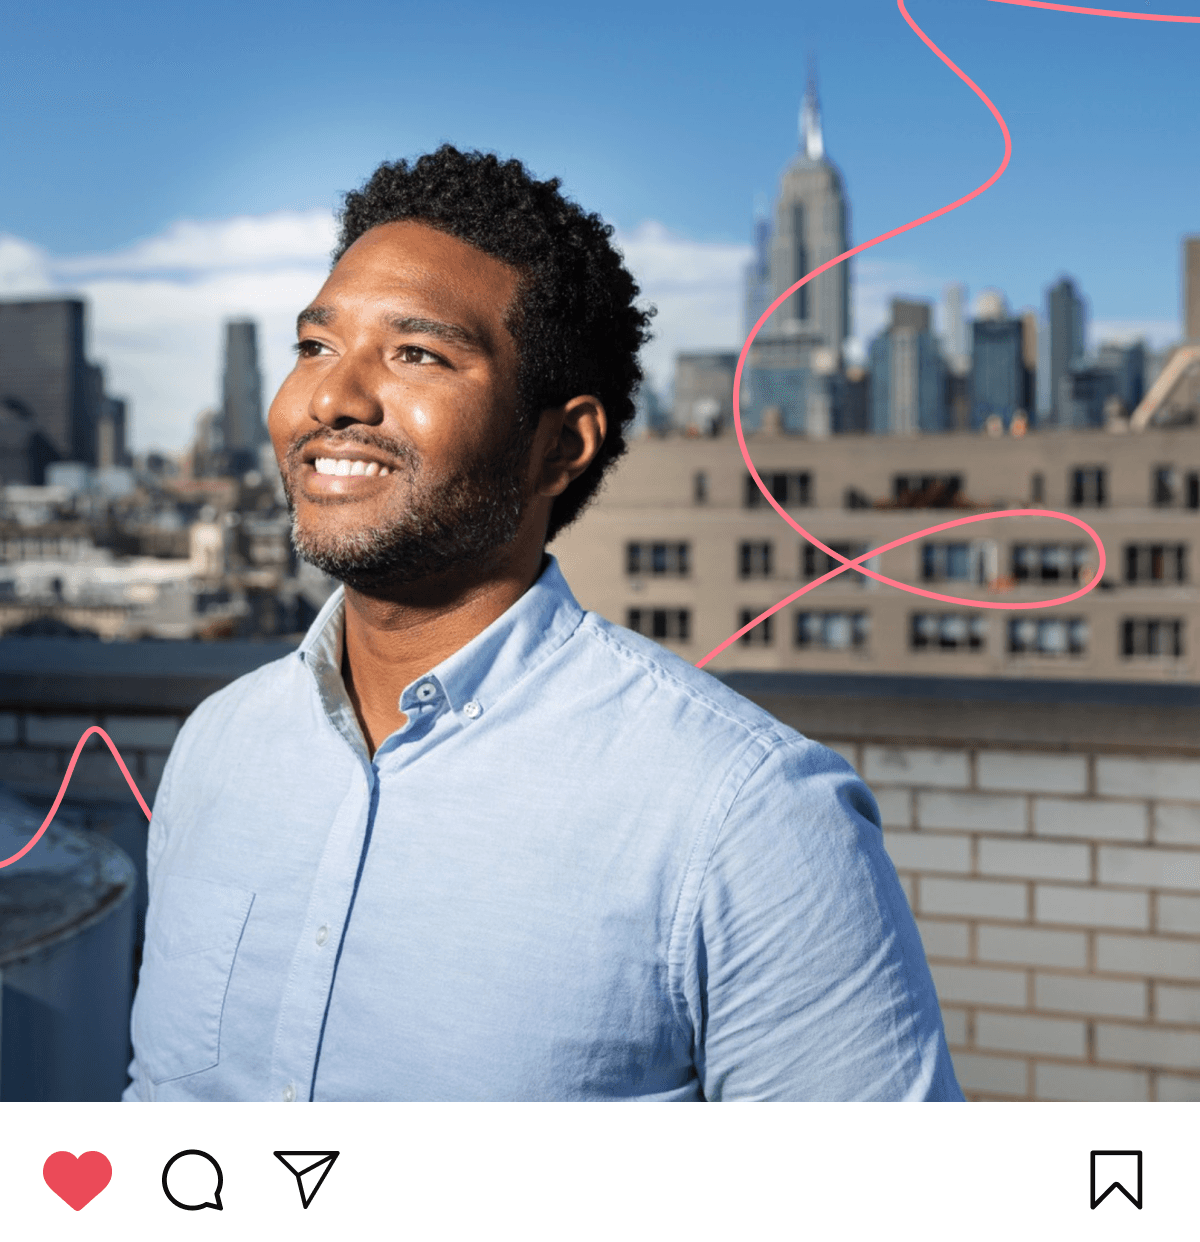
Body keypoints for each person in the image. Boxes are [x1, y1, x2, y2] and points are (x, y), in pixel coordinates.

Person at [124, 145, 962, 1102]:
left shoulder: (750, 817)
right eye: (316, 346)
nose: (332, 398)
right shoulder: (218, 746)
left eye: (417, 354)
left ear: (561, 447)